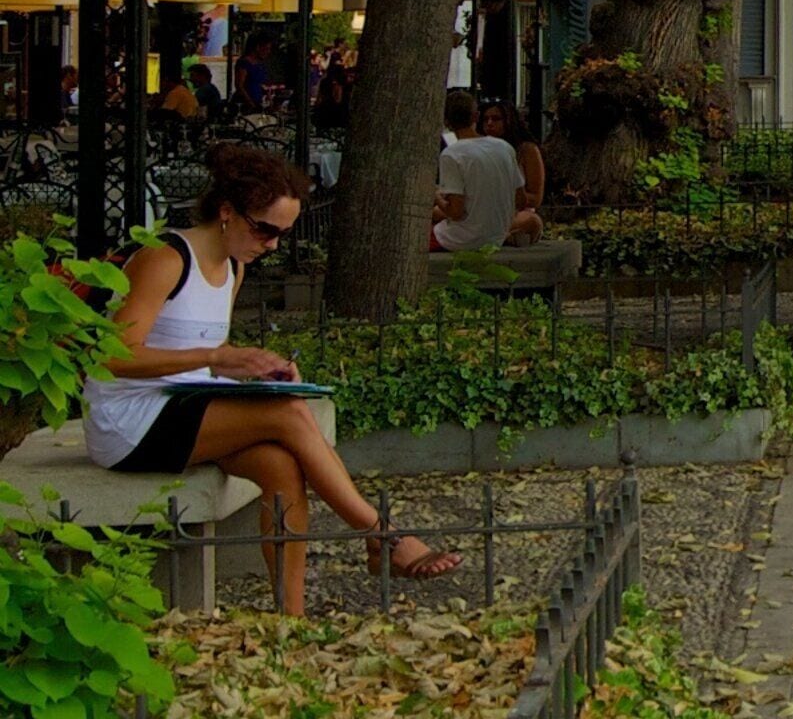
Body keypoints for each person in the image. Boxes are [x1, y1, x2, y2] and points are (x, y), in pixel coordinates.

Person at [89, 143, 460, 610]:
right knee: (285, 412)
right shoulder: (165, 259)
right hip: (131, 418)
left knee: (281, 469)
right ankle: (382, 535)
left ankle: (291, 619)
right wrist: (219, 358)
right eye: (265, 230)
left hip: (184, 405)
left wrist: (260, 371)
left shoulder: (233, 266)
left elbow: (204, 360)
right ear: (227, 212)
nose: (272, 245)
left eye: (281, 234)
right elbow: (113, 358)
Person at [432, 88, 539, 252]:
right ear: (476, 116)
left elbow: (455, 212)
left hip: (460, 239)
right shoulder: (504, 147)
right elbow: (520, 200)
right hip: (497, 236)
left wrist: (436, 196)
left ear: (446, 122)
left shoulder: (451, 154)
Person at [478, 100, 547, 215]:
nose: (489, 123)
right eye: (485, 119)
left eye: (496, 119)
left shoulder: (527, 150)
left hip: (517, 213)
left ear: (509, 121)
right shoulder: (478, 149)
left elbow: (536, 199)